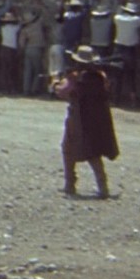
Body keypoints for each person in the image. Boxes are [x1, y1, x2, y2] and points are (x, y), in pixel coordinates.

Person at [52, 45, 120, 199]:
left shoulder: (75, 78)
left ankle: (70, 185)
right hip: (96, 120)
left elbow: (62, 91)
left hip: (78, 119)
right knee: (93, 152)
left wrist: (56, 81)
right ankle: (103, 187)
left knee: (68, 148)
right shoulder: (100, 76)